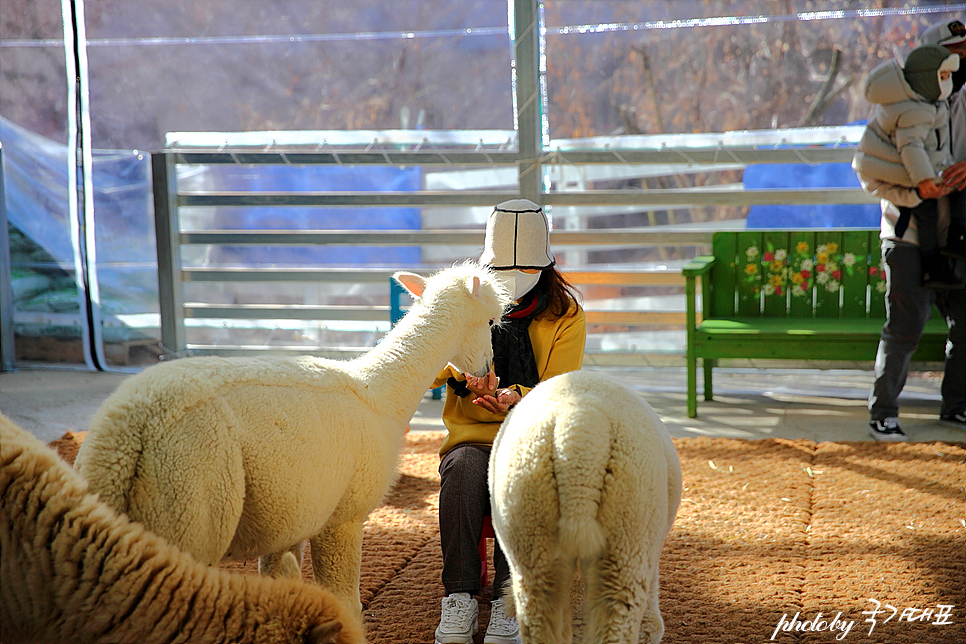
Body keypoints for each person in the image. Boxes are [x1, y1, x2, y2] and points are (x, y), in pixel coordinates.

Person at [430, 199, 586, 644]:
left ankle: (507, 599)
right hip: (470, 439)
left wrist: (516, 398)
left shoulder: (565, 315)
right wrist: (466, 374)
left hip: (531, 435)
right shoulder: (463, 300)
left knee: (514, 473)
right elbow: (430, 366)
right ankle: (458, 596)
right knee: (462, 471)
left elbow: (561, 390)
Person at [864, 26, 966, 441]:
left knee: (965, 325)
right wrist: (919, 184)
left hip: (958, 234)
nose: (957, 65)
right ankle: (883, 411)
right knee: (905, 325)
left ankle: (956, 406)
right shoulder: (896, 104)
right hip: (906, 234)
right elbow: (871, 166)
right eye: (952, 54)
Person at [853, 43, 966, 290]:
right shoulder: (914, 109)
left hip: (924, 177)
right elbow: (911, 147)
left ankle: (950, 244)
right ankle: (936, 261)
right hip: (908, 196)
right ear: (927, 77)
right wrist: (924, 181)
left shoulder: (928, 103)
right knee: (927, 211)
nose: (948, 81)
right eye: (943, 76)